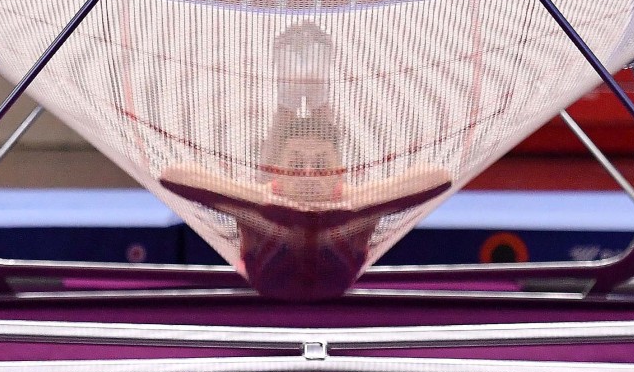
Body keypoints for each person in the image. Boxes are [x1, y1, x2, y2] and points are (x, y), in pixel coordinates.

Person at [158, 20, 451, 301]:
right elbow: (174, 174)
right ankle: (297, 97)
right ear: (279, 173)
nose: (309, 174)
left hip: (307, 215)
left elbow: (438, 176)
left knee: (303, 150)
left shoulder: (354, 204)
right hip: (272, 201)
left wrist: (352, 208)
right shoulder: (258, 209)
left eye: (321, 166)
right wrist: (261, 203)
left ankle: (304, 96)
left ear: (339, 172)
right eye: (298, 167)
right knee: (277, 170)